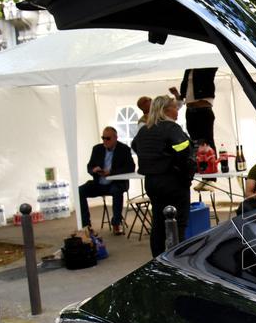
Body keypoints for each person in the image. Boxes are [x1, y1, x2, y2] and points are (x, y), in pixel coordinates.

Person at [131, 96, 195, 256]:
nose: (177, 111)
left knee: (158, 223)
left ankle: (157, 259)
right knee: (179, 222)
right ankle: (176, 258)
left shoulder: (145, 129)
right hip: (173, 181)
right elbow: (184, 150)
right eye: (174, 107)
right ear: (166, 110)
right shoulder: (171, 128)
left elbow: (134, 145)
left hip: (152, 182)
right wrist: (185, 171)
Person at [78, 127, 135, 235]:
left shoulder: (124, 149)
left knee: (117, 191)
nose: (105, 141)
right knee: (80, 191)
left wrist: (111, 172)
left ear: (115, 138)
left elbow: (130, 168)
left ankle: (116, 223)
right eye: (103, 138)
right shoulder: (97, 149)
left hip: (116, 183)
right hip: (99, 182)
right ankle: (86, 225)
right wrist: (93, 170)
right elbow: (89, 166)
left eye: (108, 138)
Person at [169, 67, 218, 152]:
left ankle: (212, 163)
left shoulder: (206, 68)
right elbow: (184, 95)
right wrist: (177, 94)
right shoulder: (188, 70)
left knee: (207, 141)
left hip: (203, 110)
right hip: (190, 111)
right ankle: (198, 163)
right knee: (194, 142)